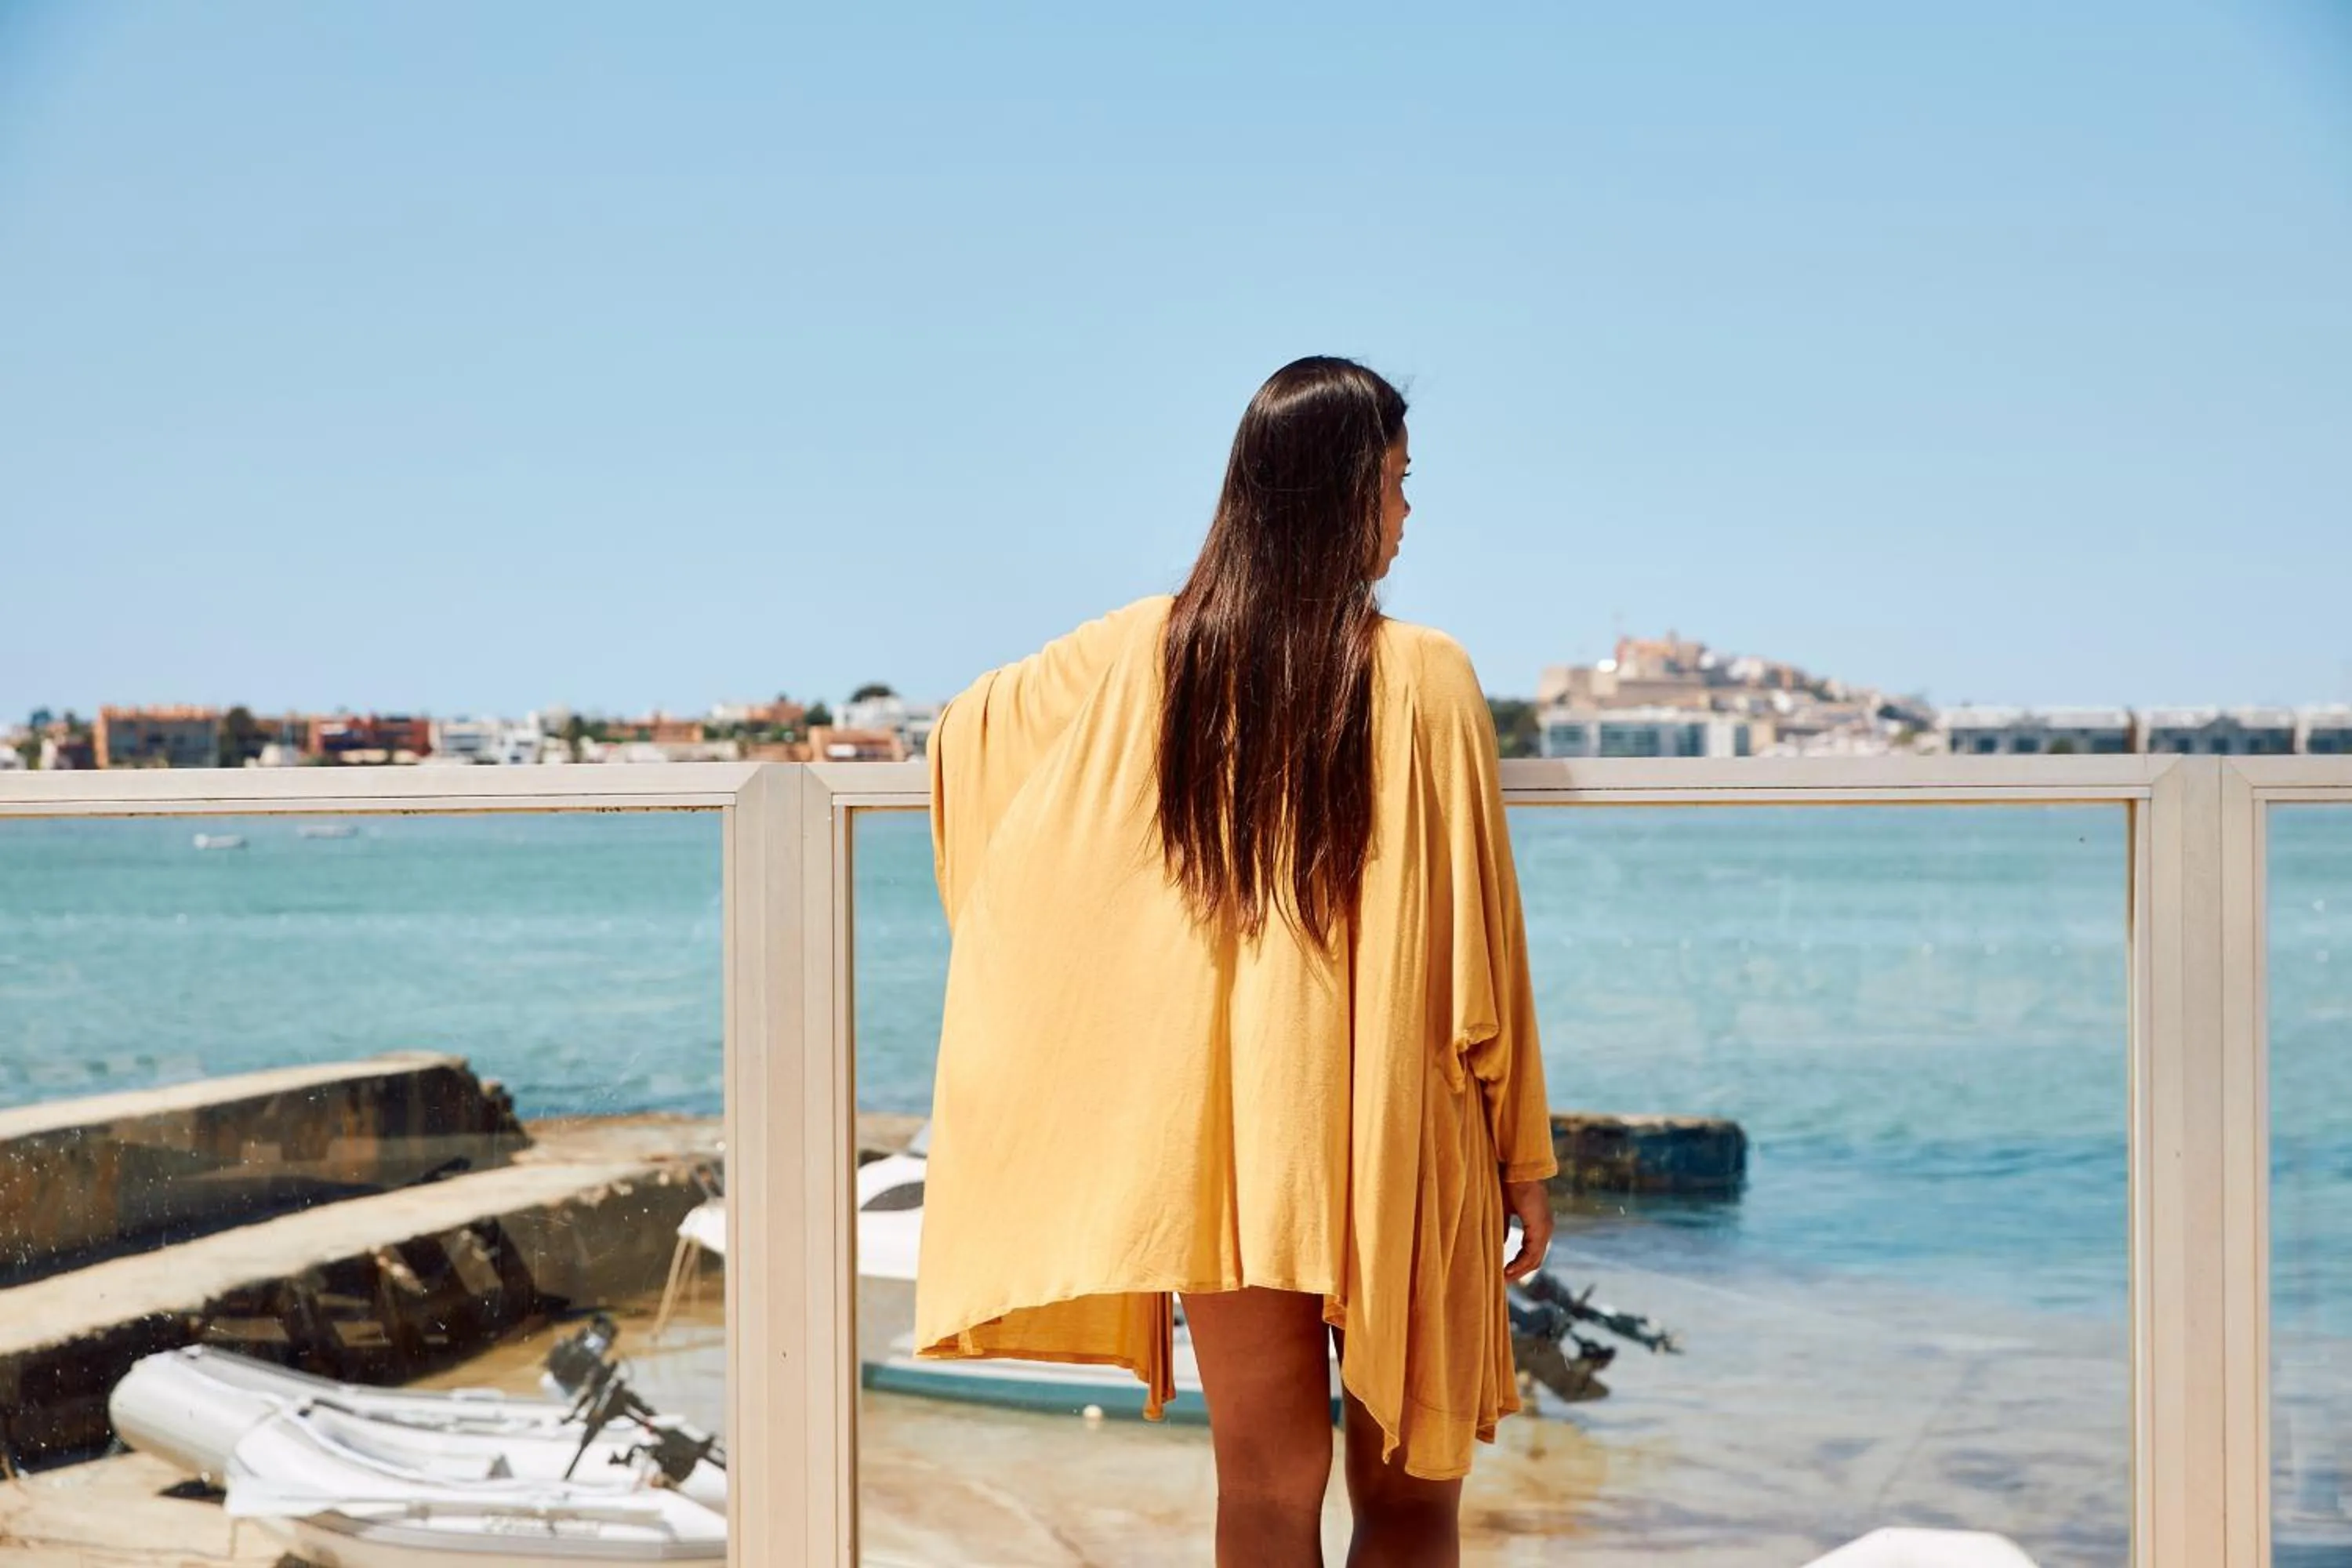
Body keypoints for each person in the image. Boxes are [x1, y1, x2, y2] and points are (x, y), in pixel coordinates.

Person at [916, 356, 1557, 1566]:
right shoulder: (1424, 672)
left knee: (1264, 1489)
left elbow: (964, 741)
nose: (1409, 515)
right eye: (1398, 483)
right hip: (1396, 1140)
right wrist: (1523, 1147)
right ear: (1343, 491)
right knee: (1411, 1498)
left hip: (1226, 1158)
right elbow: (1485, 940)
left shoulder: (1144, 655)